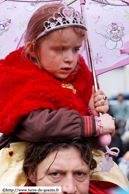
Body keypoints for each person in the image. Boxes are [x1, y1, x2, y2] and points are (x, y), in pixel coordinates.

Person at [0, 2, 115, 148]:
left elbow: (88, 143)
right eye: (59, 49)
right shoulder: (18, 78)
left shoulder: (81, 80)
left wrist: (93, 113)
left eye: (75, 49)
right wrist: (92, 125)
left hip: (71, 164)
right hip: (25, 163)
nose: (70, 58)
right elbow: (38, 127)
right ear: (33, 49)